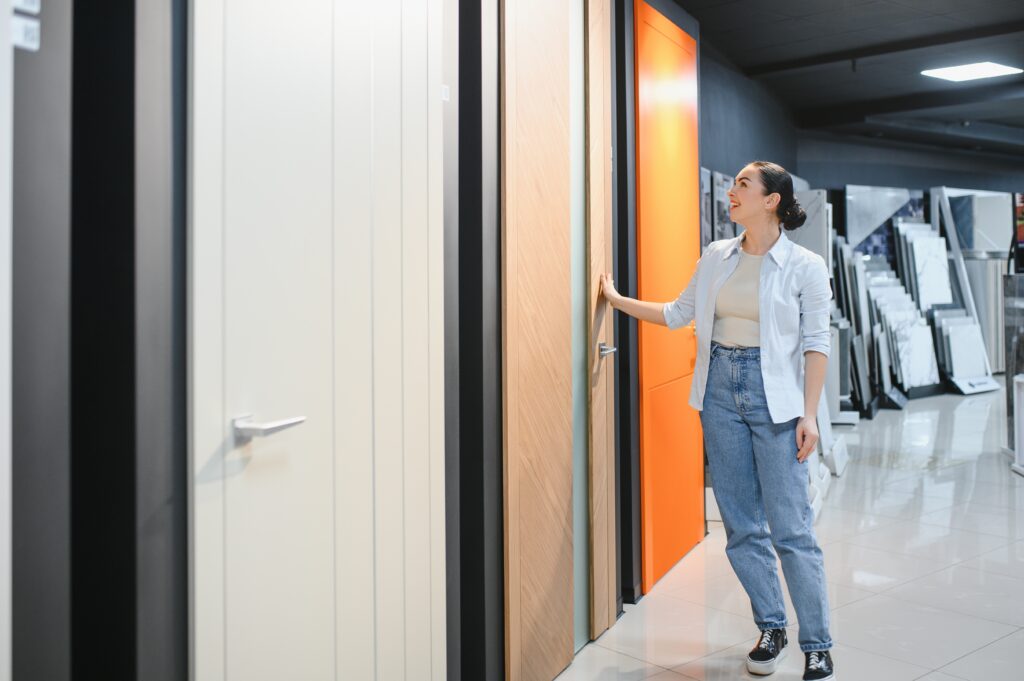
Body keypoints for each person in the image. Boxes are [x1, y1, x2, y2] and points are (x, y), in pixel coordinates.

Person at [600, 161, 835, 681]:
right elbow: (678, 313)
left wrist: (810, 415)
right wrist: (616, 301)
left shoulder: (805, 265)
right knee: (741, 527)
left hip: (777, 399)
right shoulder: (716, 256)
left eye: (743, 185)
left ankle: (817, 643)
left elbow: (817, 344)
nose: (732, 192)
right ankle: (771, 626)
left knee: (792, 528)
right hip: (719, 395)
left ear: (771, 200)